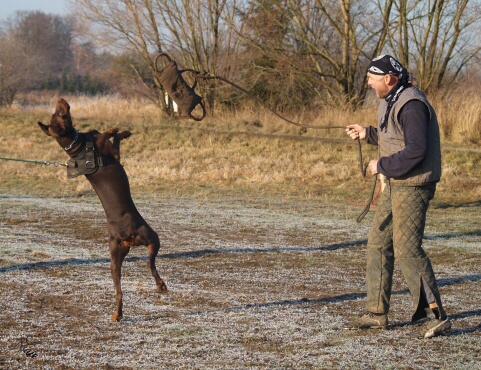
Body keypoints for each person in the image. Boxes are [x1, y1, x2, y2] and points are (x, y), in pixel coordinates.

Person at [345, 55, 451, 338]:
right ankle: (377, 313)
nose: (368, 82)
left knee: (407, 249)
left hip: (413, 186)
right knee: (378, 243)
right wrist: (367, 133)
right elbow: (394, 136)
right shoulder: (391, 99)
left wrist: (381, 165)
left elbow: (416, 150)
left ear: (388, 79)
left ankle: (435, 315)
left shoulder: (412, 105)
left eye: (372, 78)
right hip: (396, 184)